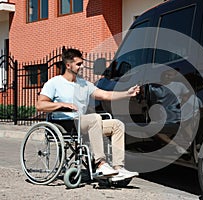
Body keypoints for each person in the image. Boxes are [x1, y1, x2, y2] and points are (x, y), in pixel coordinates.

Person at [36, 48, 140, 181]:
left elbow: (105, 94)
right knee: (94, 118)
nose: (82, 66)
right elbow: (40, 105)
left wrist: (127, 93)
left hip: (83, 123)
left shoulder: (84, 84)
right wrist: (62, 105)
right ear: (68, 65)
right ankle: (100, 164)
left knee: (116, 124)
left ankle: (118, 168)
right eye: (78, 64)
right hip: (64, 123)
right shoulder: (54, 83)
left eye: (82, 63)